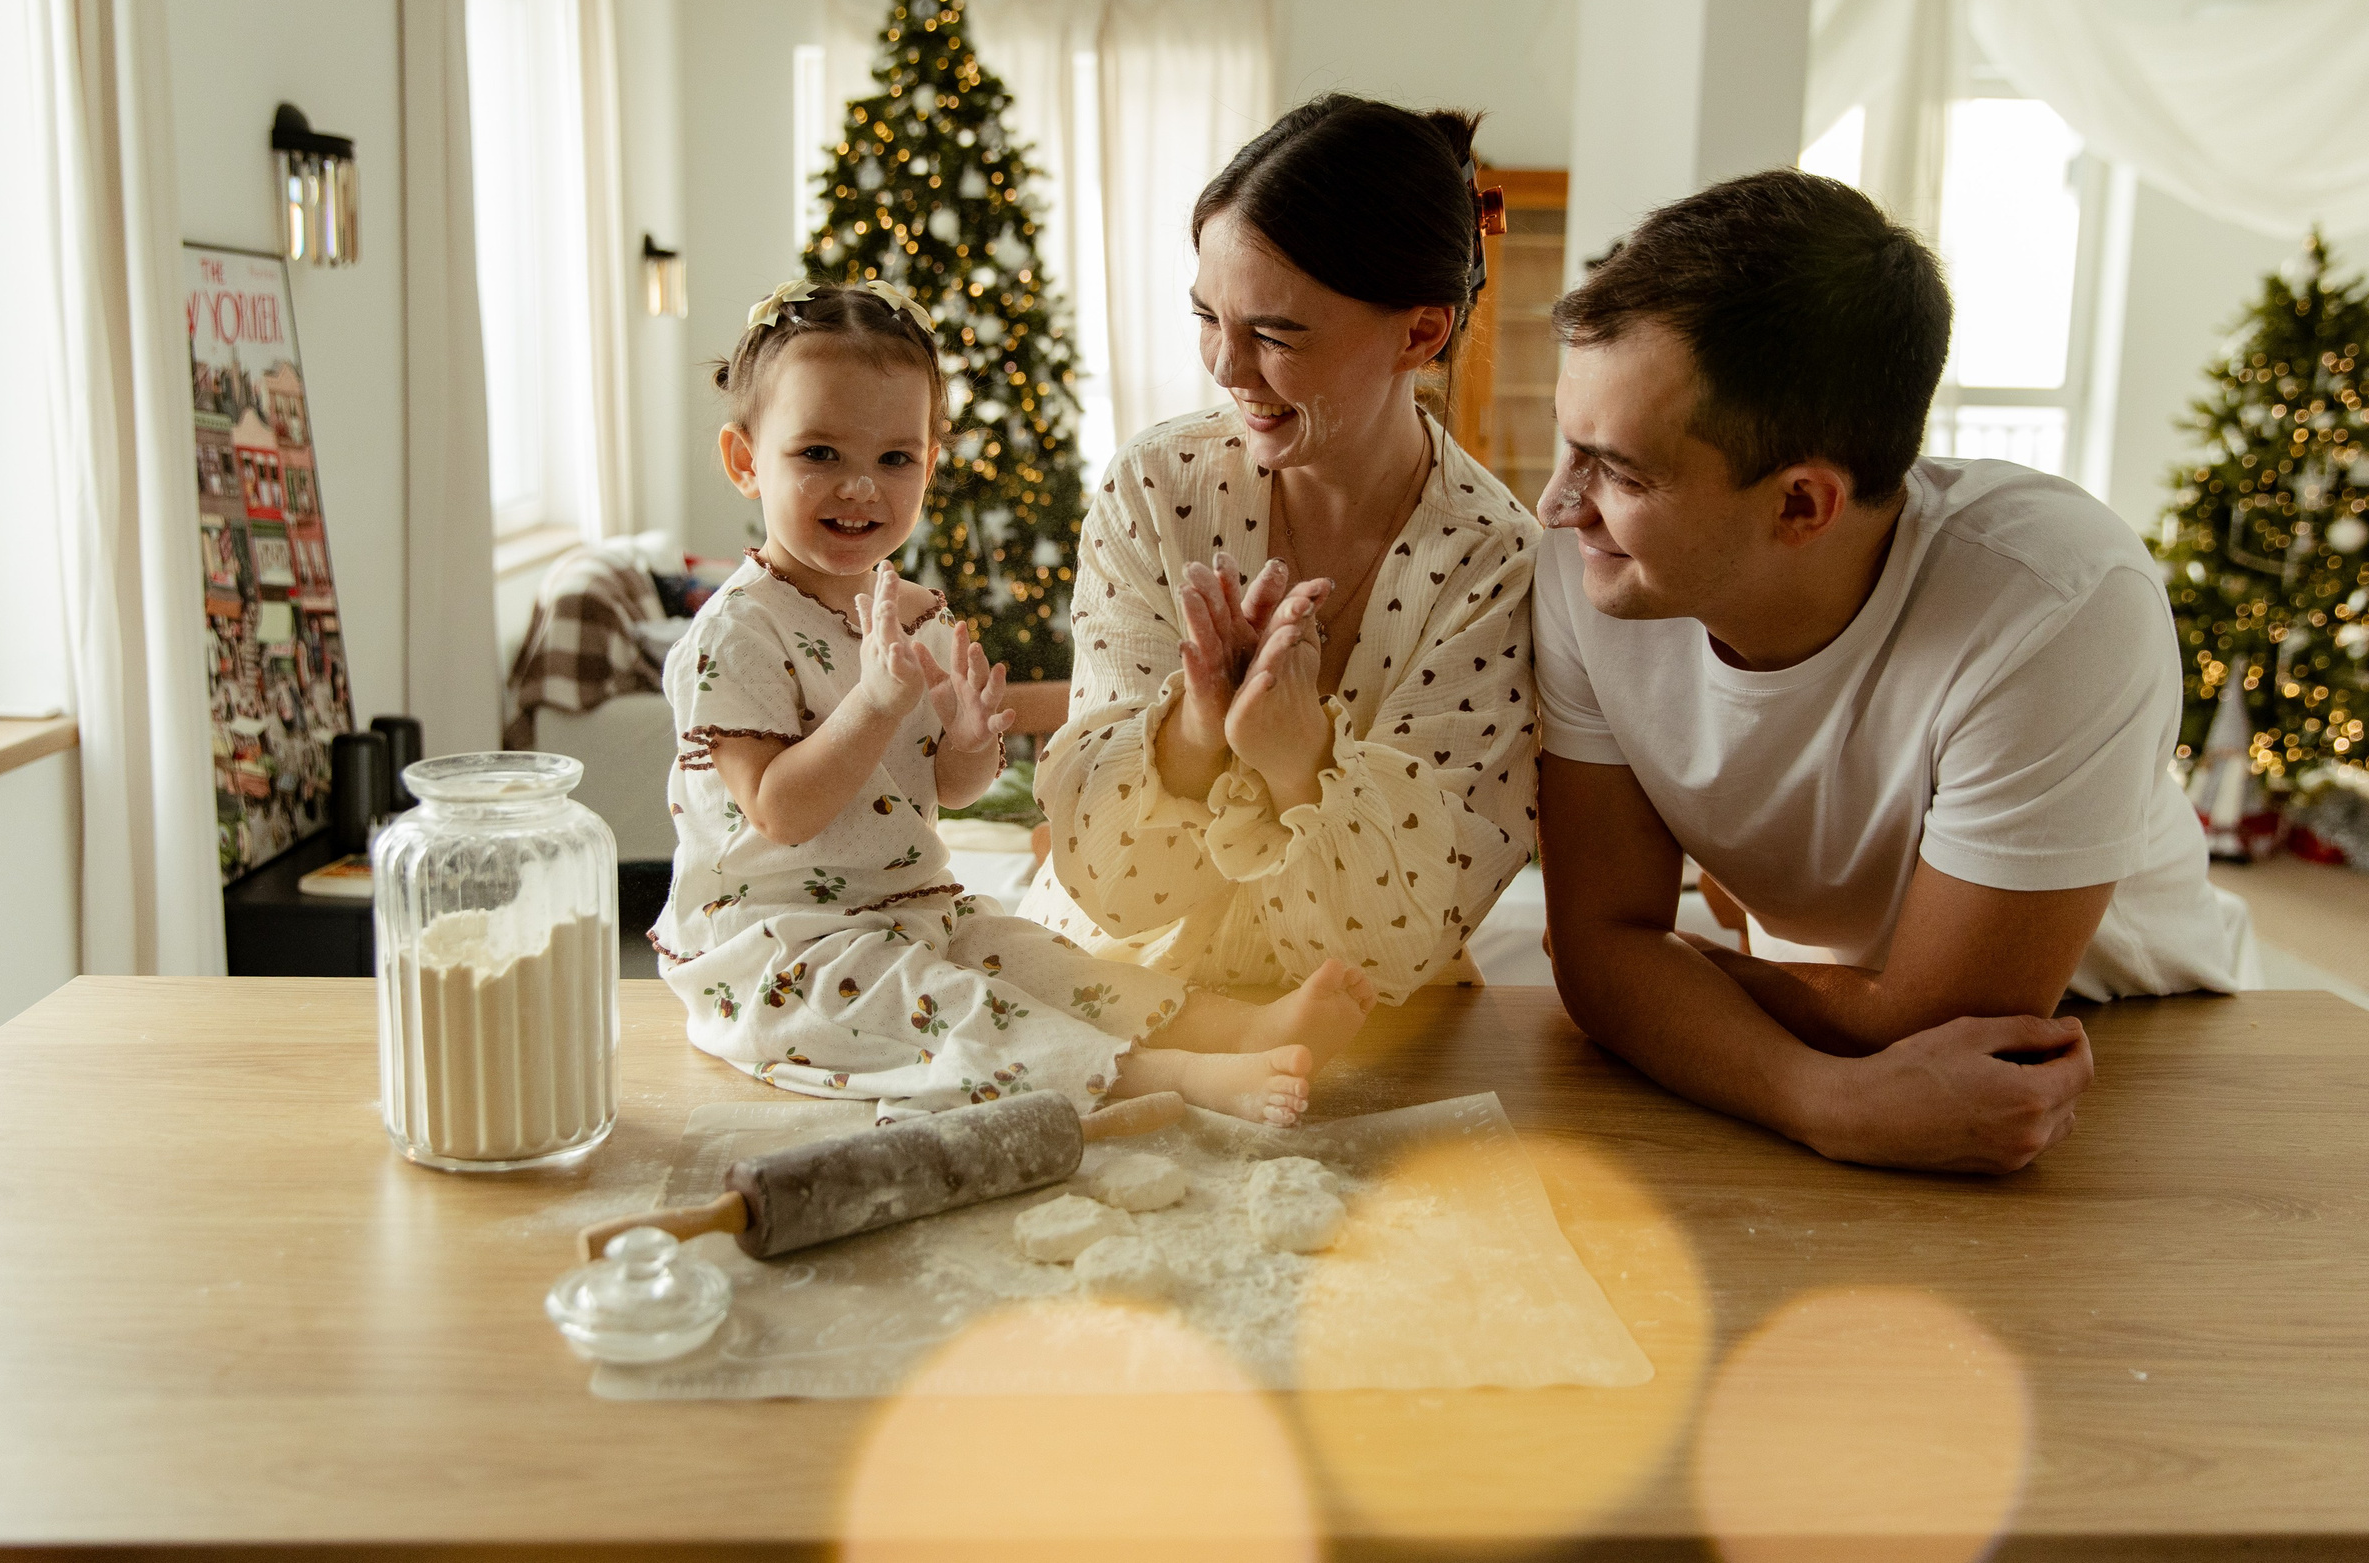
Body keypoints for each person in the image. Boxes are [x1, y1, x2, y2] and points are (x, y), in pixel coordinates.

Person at [1531, 169, 2246, 1176]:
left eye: (1620, 470)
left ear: (1800, 507)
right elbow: (1600, 957)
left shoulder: (2056, 604)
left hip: (2127, 1049)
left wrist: (1664, 973)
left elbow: (1939, 1027)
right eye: (1569, 448)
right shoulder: (1587, 570)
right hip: (1829, 1040)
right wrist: (1814, 1098)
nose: (1558, 507)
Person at [652, 279, 1377, 1126]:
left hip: (915, 910)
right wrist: (879, 704)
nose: (860, 488)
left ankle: (1242, 1025)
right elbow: (780, 811)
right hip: (785, 950)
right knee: (956, 1013)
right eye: (819, 455)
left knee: (1044, 963)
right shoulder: (738, 632)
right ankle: (1169, 1078)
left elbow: (947, 794)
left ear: (929, 463)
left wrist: (964, 744)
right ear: (746, 460)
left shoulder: (914, 612)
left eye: (893, 459)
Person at [1024, 94, 1542, 999]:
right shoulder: (1154, 490)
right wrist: (1193, 729)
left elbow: (1397, 943)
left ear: (1422, 331)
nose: (1224, 367)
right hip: (1110, 996)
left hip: (1370, 1030)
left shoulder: (1493, 564)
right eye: (1206, 318)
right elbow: (1107, 884)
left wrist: (1299, 757)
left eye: (1273, 333)